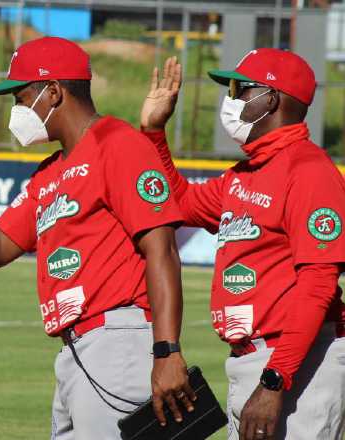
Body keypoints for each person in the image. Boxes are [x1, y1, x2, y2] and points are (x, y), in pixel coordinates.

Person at [0, 36, 194, 439]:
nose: (16, 109)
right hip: (76, 351)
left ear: (53, 92)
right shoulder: (49, 173)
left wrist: (167, 350)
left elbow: (162, 248)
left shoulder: (117, 144)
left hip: (117, 341)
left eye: (20, 96)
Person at [141, 51, 345, 440]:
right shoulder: (247, 173)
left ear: (269, 99)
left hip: (297, 364)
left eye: (239, 89)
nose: (230, 99)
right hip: (254, 361)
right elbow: (178, 204)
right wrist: (154, 133)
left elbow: (319, 284)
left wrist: (274, 381)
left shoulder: (309, 171)